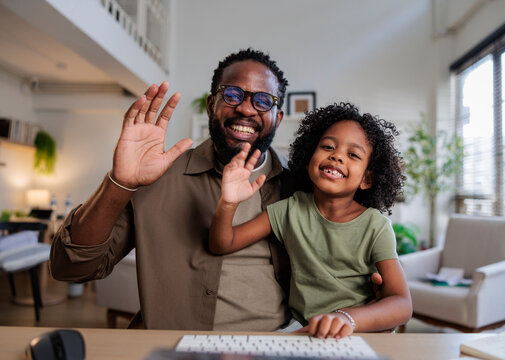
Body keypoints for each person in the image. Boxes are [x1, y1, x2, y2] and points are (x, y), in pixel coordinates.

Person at [50, 48, 295, 330]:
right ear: (210, 104)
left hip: (272, 345)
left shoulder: (300, 187)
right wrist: (120, 182)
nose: (246, 108)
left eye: (263, 101)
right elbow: (70, 268)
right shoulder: (159, 176)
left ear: (277, 118)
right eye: (232, 94)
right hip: (171, 345)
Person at [209, 103, 412, 338]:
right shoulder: (290, 210)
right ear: (308, 159)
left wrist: (346, 318)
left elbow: (402, 304)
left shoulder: (375, 227)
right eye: (327, 146)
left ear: (366, 179)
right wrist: (228, 203)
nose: (336, 156)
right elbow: (222, 243)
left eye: (353, 154)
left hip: (358, 329)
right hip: (302, 329)